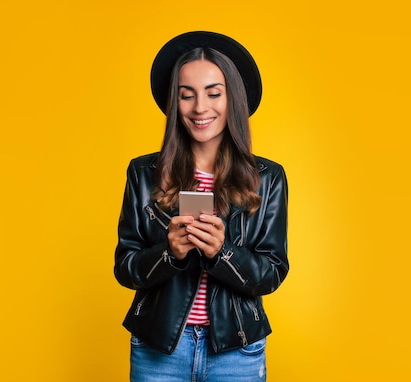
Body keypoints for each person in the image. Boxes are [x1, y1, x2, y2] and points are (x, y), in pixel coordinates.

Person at [114, 31, 289, 382]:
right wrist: (170, 253)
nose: (200, 108)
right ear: (174, 103)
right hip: (158, 349)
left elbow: (272, 272)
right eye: (186, 95)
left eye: (213, 93)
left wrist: (223, 253)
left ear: (232, 99)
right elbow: (125, 267)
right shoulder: (144, 173)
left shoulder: (268, 177)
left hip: (236, 351)